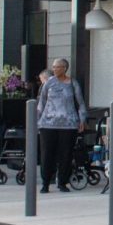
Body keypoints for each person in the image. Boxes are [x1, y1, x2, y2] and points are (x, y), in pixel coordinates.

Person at [35, 58, 86, 193]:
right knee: (47, 153)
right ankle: (45, 182)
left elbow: (80, 102)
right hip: (48, 123)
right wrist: (37, 120)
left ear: (65, 68)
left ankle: (63, 181)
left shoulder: (72, 83)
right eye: (53, 67)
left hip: (68, 123)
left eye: (58, 67)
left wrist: (82, 119)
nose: (55, 69)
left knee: (66, 154)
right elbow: (42, 102)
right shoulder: (48, 83)